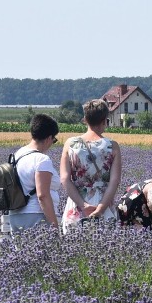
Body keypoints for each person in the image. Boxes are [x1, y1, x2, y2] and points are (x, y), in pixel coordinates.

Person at [60, 99, 122, 232]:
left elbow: (65, 179)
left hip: (77, 205)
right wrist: (100, 209)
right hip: (104, 205)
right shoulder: (112, 146)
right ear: (105, 120)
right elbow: (114, 182)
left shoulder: (70, 144)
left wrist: (83, 205)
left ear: (85, 119)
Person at [1, 113, 61, 234]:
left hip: (15, 216)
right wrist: (55, 226)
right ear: (49, 138)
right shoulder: (42, 160)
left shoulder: (17, 155)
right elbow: (42, 196)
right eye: (54, 140)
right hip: (36, 216)